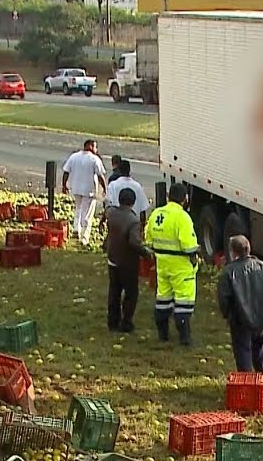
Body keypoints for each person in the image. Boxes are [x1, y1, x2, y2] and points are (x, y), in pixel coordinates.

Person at [145, 183, 199, 345]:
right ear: (185, 199)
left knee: (163, 298)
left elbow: (148, 239)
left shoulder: (156, 214)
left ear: (168, 196)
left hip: (162, 263)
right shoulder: (182, 217)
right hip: (181, 266)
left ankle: (163, 335)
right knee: (183, 302)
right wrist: (197, 252)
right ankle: (185, 337)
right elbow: (188, 245)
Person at [216, 235, 263, 373]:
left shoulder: (228, 272)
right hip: (261, 318)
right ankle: (261, 379)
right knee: (259, 349)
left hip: (240, 320)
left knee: (243, 351)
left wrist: (228, 315)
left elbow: (224, 299)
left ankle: (247, 383)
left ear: (233, 252)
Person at [105, 187, 151, 333]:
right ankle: (126, 322)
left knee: (114, 291)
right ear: (133, 202)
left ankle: (112, 321)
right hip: (128, 263)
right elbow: (134, 242)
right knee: (131, 293)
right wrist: (146, 253)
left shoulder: (112, 214)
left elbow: (107, 211)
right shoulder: (133, 221)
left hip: (112, 259)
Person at [61, 139, 107, 246]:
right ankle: (84, 236)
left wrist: (64, 185)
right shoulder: (94, 159)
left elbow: (66, 172)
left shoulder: (74, 156)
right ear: (90, 146)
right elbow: (100, 176)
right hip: (89, 190)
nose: (96, 149)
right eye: (95, 147)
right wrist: (105, 188)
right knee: (87, 214)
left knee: (78, 209)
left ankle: (76, 228)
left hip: (76, 188)